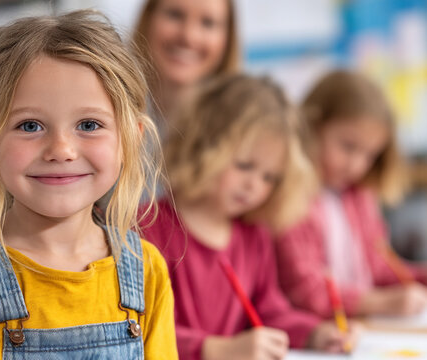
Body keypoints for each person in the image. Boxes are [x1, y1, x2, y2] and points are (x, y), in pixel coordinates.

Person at [0, 10, 177, 359]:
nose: (61, 150)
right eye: (30, 126)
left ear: (130, 139)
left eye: (88, 124)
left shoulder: (146, 268)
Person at [140, 74, 355, 360]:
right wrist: (215, 349)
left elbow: (270, 311)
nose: (254, 185)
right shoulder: (148, 227)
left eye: (270, 177)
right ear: (202, 145)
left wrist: (315, 333)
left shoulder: (254, 235)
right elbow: (142, 329)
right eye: (244, 165)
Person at [275, 70, 427, 319]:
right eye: (348, 146)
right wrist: (381, 303)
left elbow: (376, 270)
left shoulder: (358, 197)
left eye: (370, 155)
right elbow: (307, 292)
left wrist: (425, 278)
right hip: (313, 336)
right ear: (311, 126)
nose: (357, 165)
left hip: (360, 329)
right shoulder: (291, 199)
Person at [132, 0, 240, 125]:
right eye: (175, 14)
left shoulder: (242, 129)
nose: (189, 36)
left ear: (228, 36)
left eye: (207, 23)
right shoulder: (112, 113)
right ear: (149, 18)